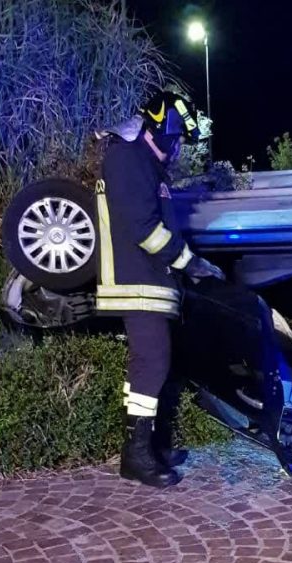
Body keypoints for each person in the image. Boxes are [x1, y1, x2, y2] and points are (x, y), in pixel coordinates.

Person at [96, 89, 225, 488]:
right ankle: (136, 456)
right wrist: (190, 263)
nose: (179, 147)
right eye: (177, 138)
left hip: (151, 281)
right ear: (162, 132)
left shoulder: (146, 164)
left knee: (149, 366)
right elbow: (143, 228)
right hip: (137, 282)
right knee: (152, 362)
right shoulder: (127, 158)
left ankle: (147, 448)